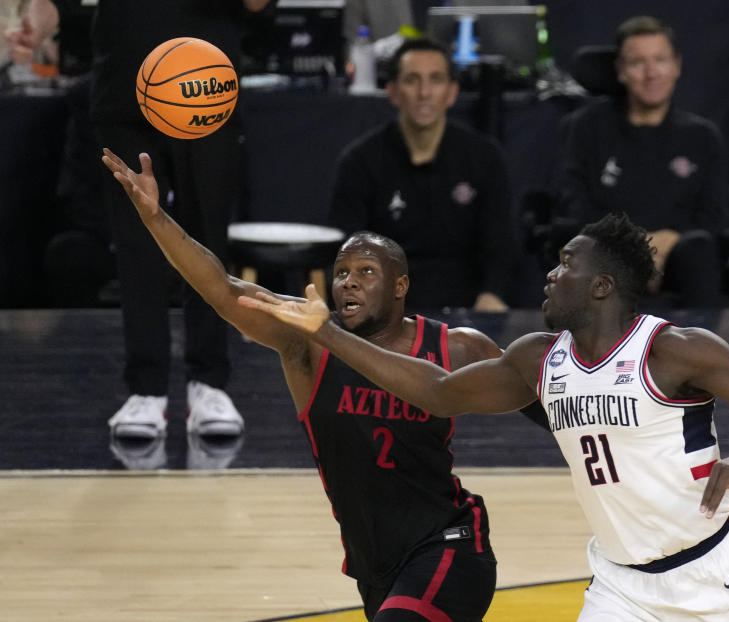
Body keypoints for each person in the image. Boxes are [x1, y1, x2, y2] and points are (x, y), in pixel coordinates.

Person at [241, 211, 729, 620]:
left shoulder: (674, 349)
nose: (550, 273)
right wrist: (329, 337)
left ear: (601, 285)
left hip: (715, 577)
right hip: (623, 589)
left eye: (566, 263)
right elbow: (438, 393)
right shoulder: (538, 357)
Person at [100, 147, 504, 621]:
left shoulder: (455, 347)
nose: (348, 283)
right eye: (342, 274)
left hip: (450, 545)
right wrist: (156, 219)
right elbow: (223, 290)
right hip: (375, 565)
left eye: (366, 273)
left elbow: (539, 395)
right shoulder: (308, 343)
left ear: (400, 286)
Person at [7, 0, 270, 438]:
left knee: (206, 240)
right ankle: (145, 389)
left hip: (205, 90)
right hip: (124, 90)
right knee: (136, 246)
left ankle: (209, 382)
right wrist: (38, 22)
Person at [328, 37, 516, 312]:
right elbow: (347, 252)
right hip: (385, 312)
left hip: (469, 312)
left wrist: (493, 295)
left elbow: (500, 245)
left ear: (452, 92)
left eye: (436, 79)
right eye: (412, 80)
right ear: (392, 91)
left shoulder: (485, 158)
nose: (424, 92)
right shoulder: (360, 161)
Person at [556, 16, 727, 308]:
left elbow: (714, 215)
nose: (651, 73)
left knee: (699, 248)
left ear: (677, 66)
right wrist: (634, 250)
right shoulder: (586, 128)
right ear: (621, 71)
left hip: (677, 258)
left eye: (660, 60)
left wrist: (669, 241)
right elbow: (576, 205)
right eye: (637, 63)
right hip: (607, 256)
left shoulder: (702, 136)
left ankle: (702, 349)